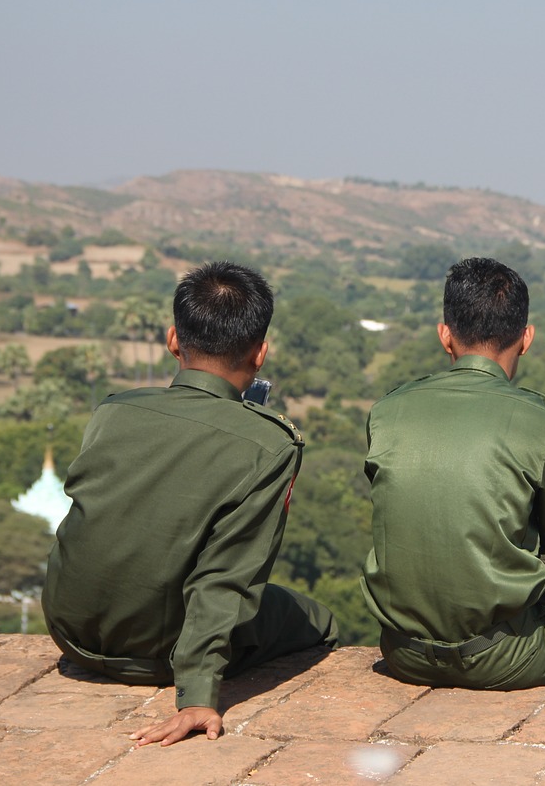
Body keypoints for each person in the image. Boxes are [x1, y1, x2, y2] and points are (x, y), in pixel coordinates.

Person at [42, 261, 338, 746]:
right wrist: (198, 695)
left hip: (69, 633)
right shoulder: (270, 444)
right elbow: (226, 576)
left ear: (173, 340)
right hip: (152, 652)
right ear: (260, 353)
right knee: (317, 620)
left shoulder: (113, 411)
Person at [361, 256, 545, 689]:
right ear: (526, 339)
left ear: (445, 336)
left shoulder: (386, 412)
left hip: (401, 651)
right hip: (500, 656)